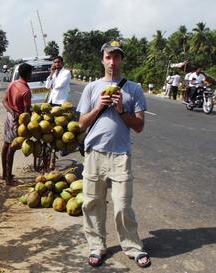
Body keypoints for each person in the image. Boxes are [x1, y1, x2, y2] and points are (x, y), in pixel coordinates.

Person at [76, 40, 151, 268]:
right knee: (92, 203)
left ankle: (132, 246)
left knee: (122, 205)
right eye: (108, 57)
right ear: (102, 59)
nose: (112, 62)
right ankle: (97, 246)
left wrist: (120, 109)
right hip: (94, 154)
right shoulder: (91, 89)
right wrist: (99, 106)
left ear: (121, 60)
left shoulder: (133, 89)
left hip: (121, 156)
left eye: (116, 57)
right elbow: (81, 124)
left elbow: (138, 126)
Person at [1, 63, 33, 186]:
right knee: (12, 148)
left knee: (6, 145)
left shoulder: (12, 84)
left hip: (10, 117)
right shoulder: (26, 91)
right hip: (18, 120)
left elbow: (4, 100)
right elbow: (26, 113)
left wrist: (11, 111)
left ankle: (5, 174)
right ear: (29, 74)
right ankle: (8, 179)